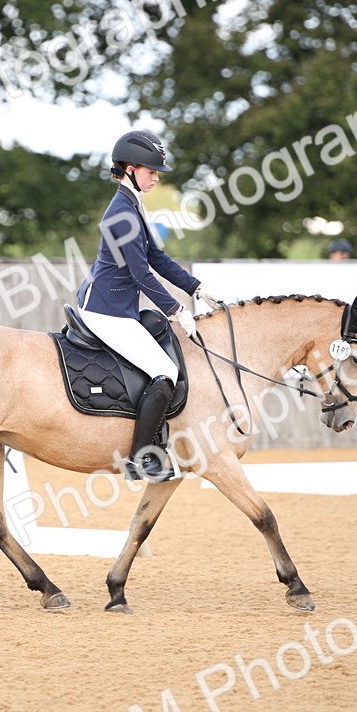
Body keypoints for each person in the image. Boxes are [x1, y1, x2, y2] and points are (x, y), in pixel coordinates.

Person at [76, 130, 225, 482]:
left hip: (119, 306)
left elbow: (156, 257)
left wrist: (196, 287)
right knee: (165, 371)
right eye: (151, 170)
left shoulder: (133, 204)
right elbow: (141, 274)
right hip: (106, 310)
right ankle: (140, 460)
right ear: (129, 168)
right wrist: (177, 310)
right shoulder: (121, 213)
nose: (156, 176)